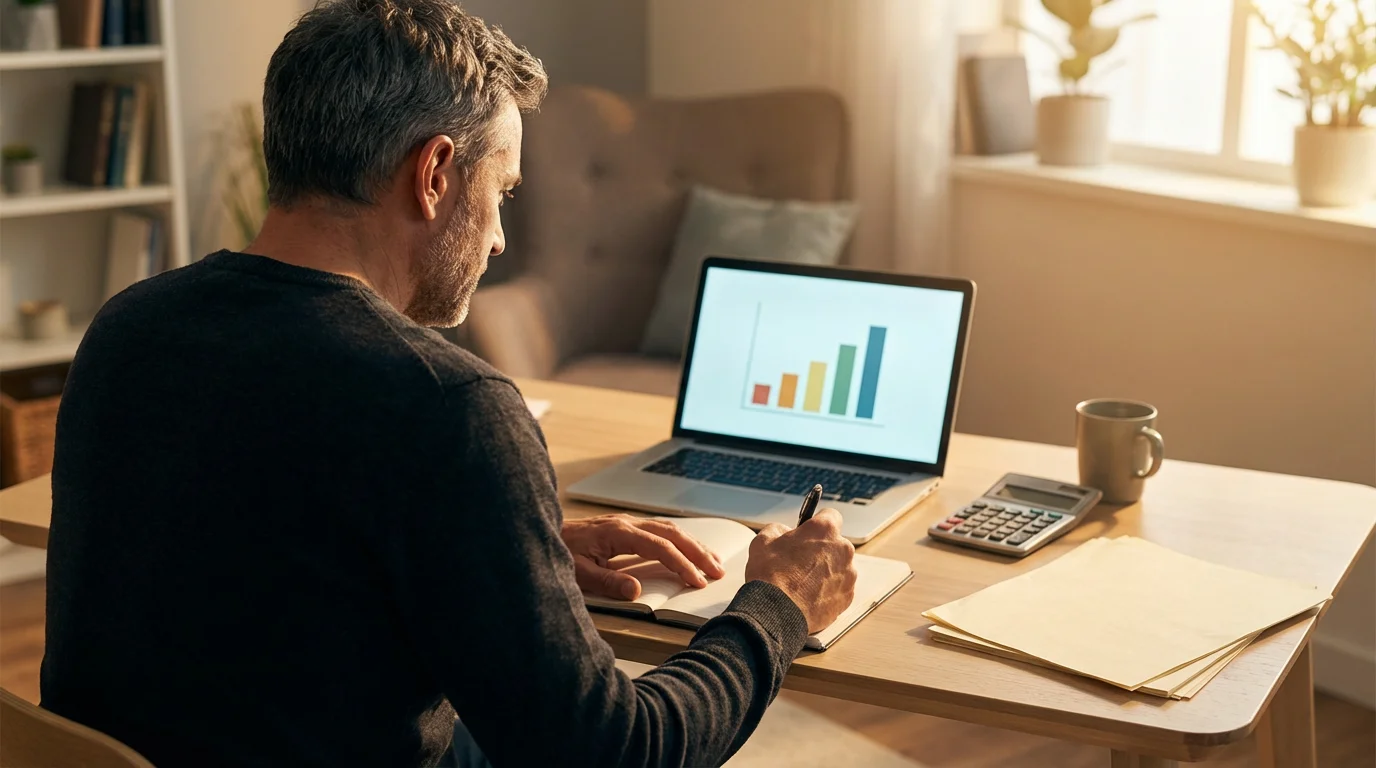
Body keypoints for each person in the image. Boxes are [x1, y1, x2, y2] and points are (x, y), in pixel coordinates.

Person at [40, 1, 859, 766]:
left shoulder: (127, 329)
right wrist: (777, 605)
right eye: (501, 191)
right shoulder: (447, 406)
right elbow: (609, 752)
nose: (500, 239)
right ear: (434, 174)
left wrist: (494, 558)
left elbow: (250, 562)